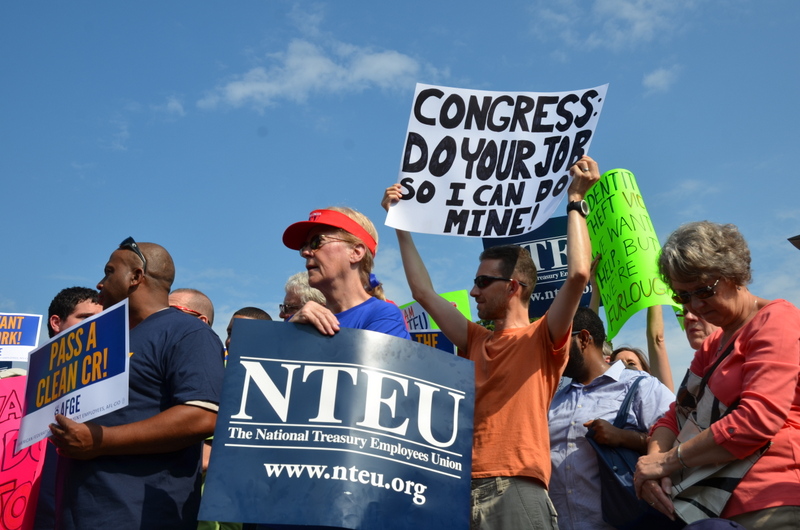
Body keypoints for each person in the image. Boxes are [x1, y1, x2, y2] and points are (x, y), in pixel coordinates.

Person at [383, 155, 600, 529]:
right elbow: (422, 291)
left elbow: (578, 274)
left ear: (514, 287)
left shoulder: (543, 336)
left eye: (483, 282)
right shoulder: (474, 339)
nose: (473, 291)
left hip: (516, 488)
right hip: (461, 490)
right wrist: (399, 223)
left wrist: (576, 199)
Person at [49, 237, 225, 530]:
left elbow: (202, 416)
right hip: (78, 513)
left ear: (136, 277)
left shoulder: (187, 332)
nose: (100, 283)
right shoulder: (103, 339)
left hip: (140, 516)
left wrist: (101, 440)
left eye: (109, 272)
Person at [634, 221, 800, 528]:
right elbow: (675, 415)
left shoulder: (777, 320)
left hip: (767, 500)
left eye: (704, 291)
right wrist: (651, 468)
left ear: (734, 273)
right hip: (707, 503)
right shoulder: (713, 344)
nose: (695, 306)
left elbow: (757, 420)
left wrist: (668, 461)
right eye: (682, 297)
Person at [549, 307, 674, 530]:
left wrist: (625, 437)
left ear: (584, 339)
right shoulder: (553, 400)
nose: (551, 350)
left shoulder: (639, 385)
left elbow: (678, 437)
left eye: (557, 341)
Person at [282, 206, 409, 339]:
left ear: (356, 252)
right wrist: (291, 331)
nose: (306, 253)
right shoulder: (302, 320)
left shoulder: (383, 315)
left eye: (316, 242)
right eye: (304, 246)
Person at [34, 287, 104, 530]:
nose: (97, 326)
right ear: (56, 322)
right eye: (87, 319)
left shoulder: (109, 388)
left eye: (103, 320)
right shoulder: (20, 386)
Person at [589, 254, 674, 390]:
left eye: (631, 363)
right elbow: (590, 343)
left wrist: (653, 285)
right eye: (618, 363)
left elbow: (656, 339)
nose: (625, 366)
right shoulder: (601, 392)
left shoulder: (656, 391)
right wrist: (596, 288)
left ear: (647, 371)